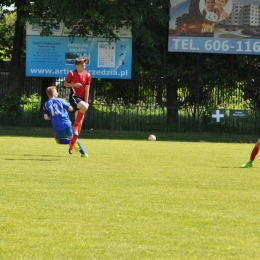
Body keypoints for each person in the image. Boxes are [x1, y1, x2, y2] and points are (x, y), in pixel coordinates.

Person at [43, 86, 88, 157]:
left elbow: (45, 117)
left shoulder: (46, 104)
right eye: (56, 91)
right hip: (67, 122)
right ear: (54, 93)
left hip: (58, 125)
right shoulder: (60, 100)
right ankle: (84, 153)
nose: (57, 92)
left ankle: (70, 142)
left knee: (58, 140)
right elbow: (70, 108)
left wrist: (54, 117)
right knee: (72, 137)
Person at [64, 58, 91, 137]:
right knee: (84, 107)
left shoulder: (87, 75)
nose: (84, 67)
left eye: (84, 65)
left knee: (80, 125)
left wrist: (86, 102)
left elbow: (87, 90)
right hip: (74, 97)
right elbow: (65, 84)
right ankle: (74, 126)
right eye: (82, 65)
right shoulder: (71, 73)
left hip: (81, 100)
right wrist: (74, 85)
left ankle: (72, 143)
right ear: (77, 66)